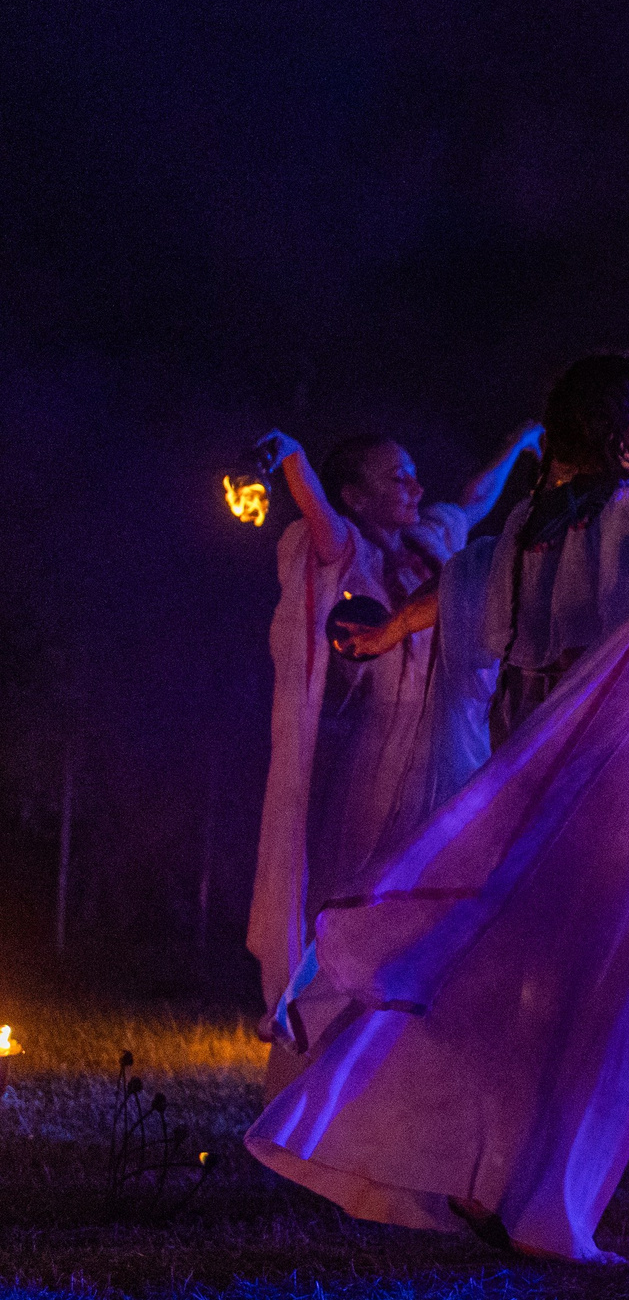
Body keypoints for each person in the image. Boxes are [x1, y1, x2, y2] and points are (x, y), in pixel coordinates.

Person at [246, 351, 629, 1262]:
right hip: (600, 777)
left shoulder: (530, 529)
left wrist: (385, 629)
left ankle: (493, 1180)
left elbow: (455, 586)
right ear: (628, 438)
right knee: (605, 990)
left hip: (520, 770)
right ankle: (543, 1207)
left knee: (519, 979)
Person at [247, 422, 541, 1021]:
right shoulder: (352, 556)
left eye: (412, 473)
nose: (413, 485)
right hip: (386, 747)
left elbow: (474, 500)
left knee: (453, 874)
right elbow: (323, 524)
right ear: (357, 495)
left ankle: (428, 1011)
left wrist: (520, 441)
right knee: (363, 879)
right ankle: (322, 1012)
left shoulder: (434, 540)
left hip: (455, 742)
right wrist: (296, 462)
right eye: (396, 477)